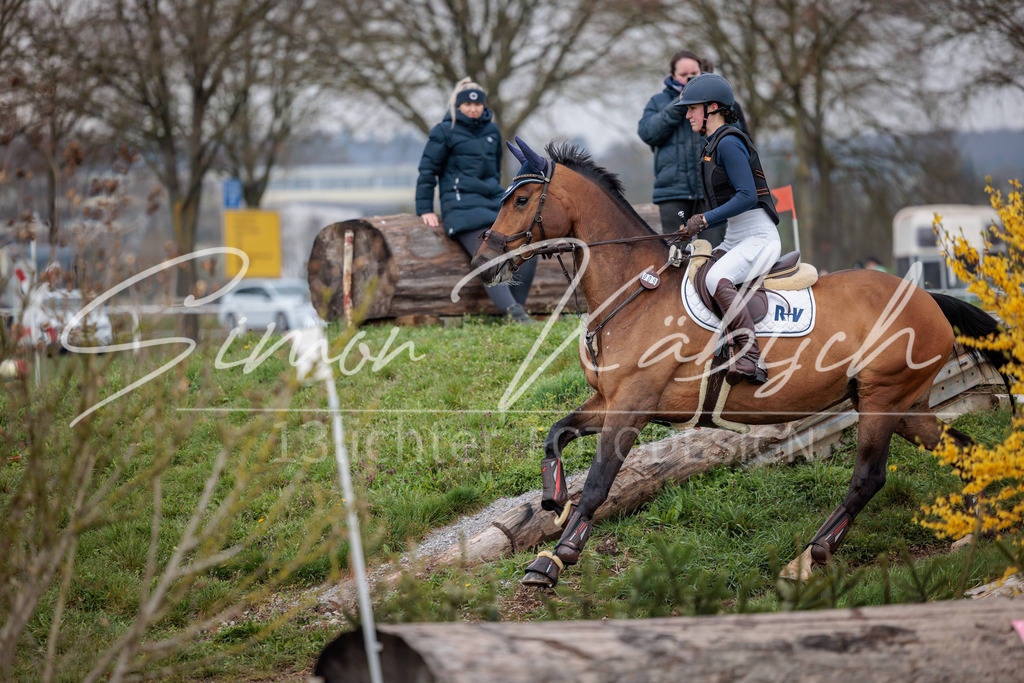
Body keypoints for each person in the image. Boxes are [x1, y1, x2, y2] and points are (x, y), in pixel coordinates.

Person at [676, 73, 782, 385]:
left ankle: (750, 356)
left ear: (712, 108)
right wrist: (693, 224)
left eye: (692, 108)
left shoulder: (730, 143)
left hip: (760, 237)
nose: (688, 115)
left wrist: (704, 220)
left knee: (715, 278)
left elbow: (748, 196)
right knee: (696, 274)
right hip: (736, 236)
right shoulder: (712, 146)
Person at [415, 78, 536, 323]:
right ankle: (513, 314)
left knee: (525, 249)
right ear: (457, 106)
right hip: (461, 206)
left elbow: (493, 171)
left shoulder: (492, 132)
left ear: (483, 106)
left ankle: (516, 312)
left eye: (477, 104)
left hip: (492, 200)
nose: (472, 109)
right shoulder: (443, 131)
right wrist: (425, 208)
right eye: (467, 105)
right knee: (488, 254)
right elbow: (428, 171)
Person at [637, 50, 712, 239]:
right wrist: (679, 105)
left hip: (711, 191)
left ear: (702, 72)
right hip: (672, 193)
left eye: (693, 74)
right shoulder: (657, 102)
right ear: (672, 76)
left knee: (714, 254)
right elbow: (647, 133)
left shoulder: (715, 100)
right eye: (683, 75)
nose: (689, 79)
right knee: (677, 255)